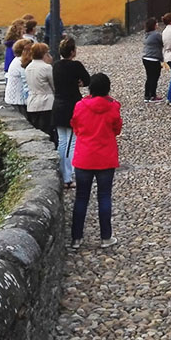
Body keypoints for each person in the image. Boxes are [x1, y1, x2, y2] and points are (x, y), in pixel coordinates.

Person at [70, 72, 122, 251]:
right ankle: (105, 237)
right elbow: (117, 129)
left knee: (81, 198)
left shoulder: (80, 106)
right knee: (104, 196)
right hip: (105, 157)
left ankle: (76, 238)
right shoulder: (113, 107)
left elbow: (75, 126)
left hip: (84, 156)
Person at [52, 36, 92, 188]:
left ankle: (64, 173)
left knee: (62, 141)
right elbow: (87, 80)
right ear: (72, 51)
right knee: (73, 141)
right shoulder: (76, 66)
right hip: (72, 106)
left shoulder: (56, 66)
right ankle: (69, 176)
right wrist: (79, 82)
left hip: (58, 105)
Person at [24, 42, 57, 146]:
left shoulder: (28, 67)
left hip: (32, 102)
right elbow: (54, 85)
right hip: (46, 102)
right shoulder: (46, 67)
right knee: (48, 131)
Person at [4, 38, 32, 115]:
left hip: (16, 100)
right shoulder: (20, 62)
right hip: (17, 101)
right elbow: (27, 80)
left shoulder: (17, 60)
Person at [141, 17, 164, 102]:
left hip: (145, 58)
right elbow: (163, 42)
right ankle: (153, 96)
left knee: (149, 77)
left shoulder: (147, 34)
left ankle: (147, 96)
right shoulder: (156, 35)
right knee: (154, 77)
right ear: (154, 25)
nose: (158, 24)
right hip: (153, 58)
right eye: (156, 23)